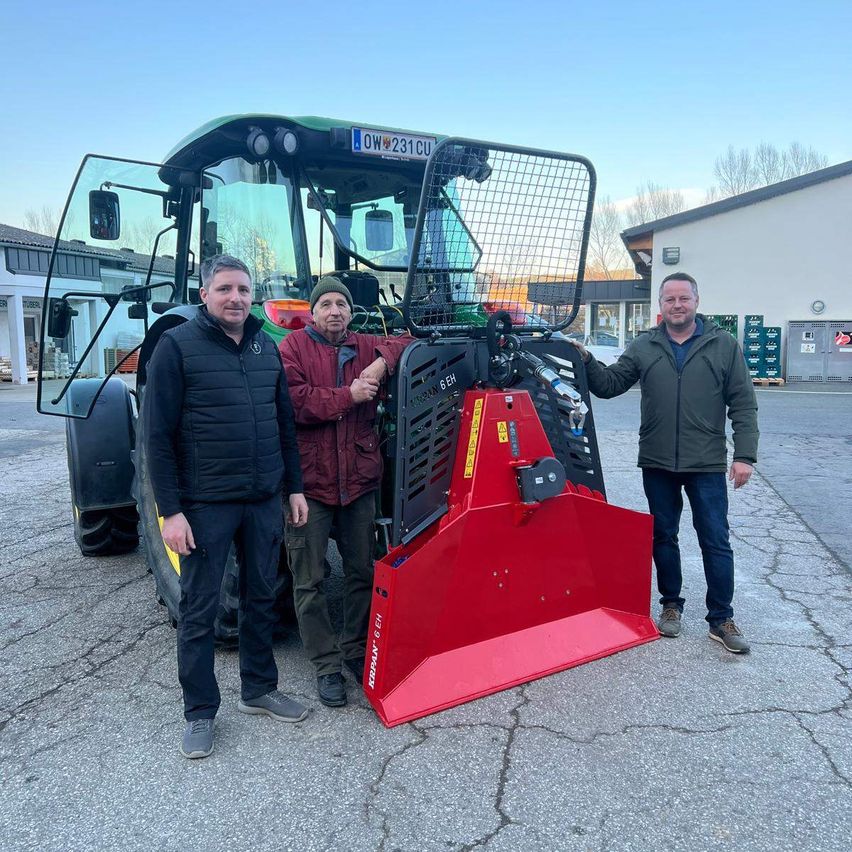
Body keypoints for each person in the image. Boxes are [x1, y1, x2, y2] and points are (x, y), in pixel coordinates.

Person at [144, 254, 310, 759]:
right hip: (205, 504)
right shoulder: (177, 346)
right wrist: (170, 512)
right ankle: (199, 712)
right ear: (205, 295)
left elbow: (283, 424)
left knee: (261, 597)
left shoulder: (264, 346)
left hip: (261, 499)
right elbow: (156, 436)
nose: (235, 298)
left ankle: (258, 688)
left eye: (243, 289)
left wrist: (294, 487)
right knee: (199, 609)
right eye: (225, 289)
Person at [571, 272, 758, 653]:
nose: (677, 305)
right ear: (660, 305)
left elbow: (743, 403)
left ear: (696, 301)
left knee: (715, 540)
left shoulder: (723, 345)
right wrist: (586, 359)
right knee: (663, 536)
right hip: (657, 461)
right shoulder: (645, 345)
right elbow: (609, 385)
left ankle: (721, 618)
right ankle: (671, 605)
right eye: (670, 299)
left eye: (684, 298)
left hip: (705, 462)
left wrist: (744, 455)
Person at [279, 276, 412, 707]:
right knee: (309, 579)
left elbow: (409, 341)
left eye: (342, 304)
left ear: (352, 312)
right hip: (310, 485)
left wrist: (381, 364)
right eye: (326, 304)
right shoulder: (292, 348)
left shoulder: (367, 344)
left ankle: (355, 649)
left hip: (359, 482)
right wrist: (349, 395)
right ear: (313, 312)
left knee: (362, 572)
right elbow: (294, 401)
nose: (334, 310)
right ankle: (326, 664)